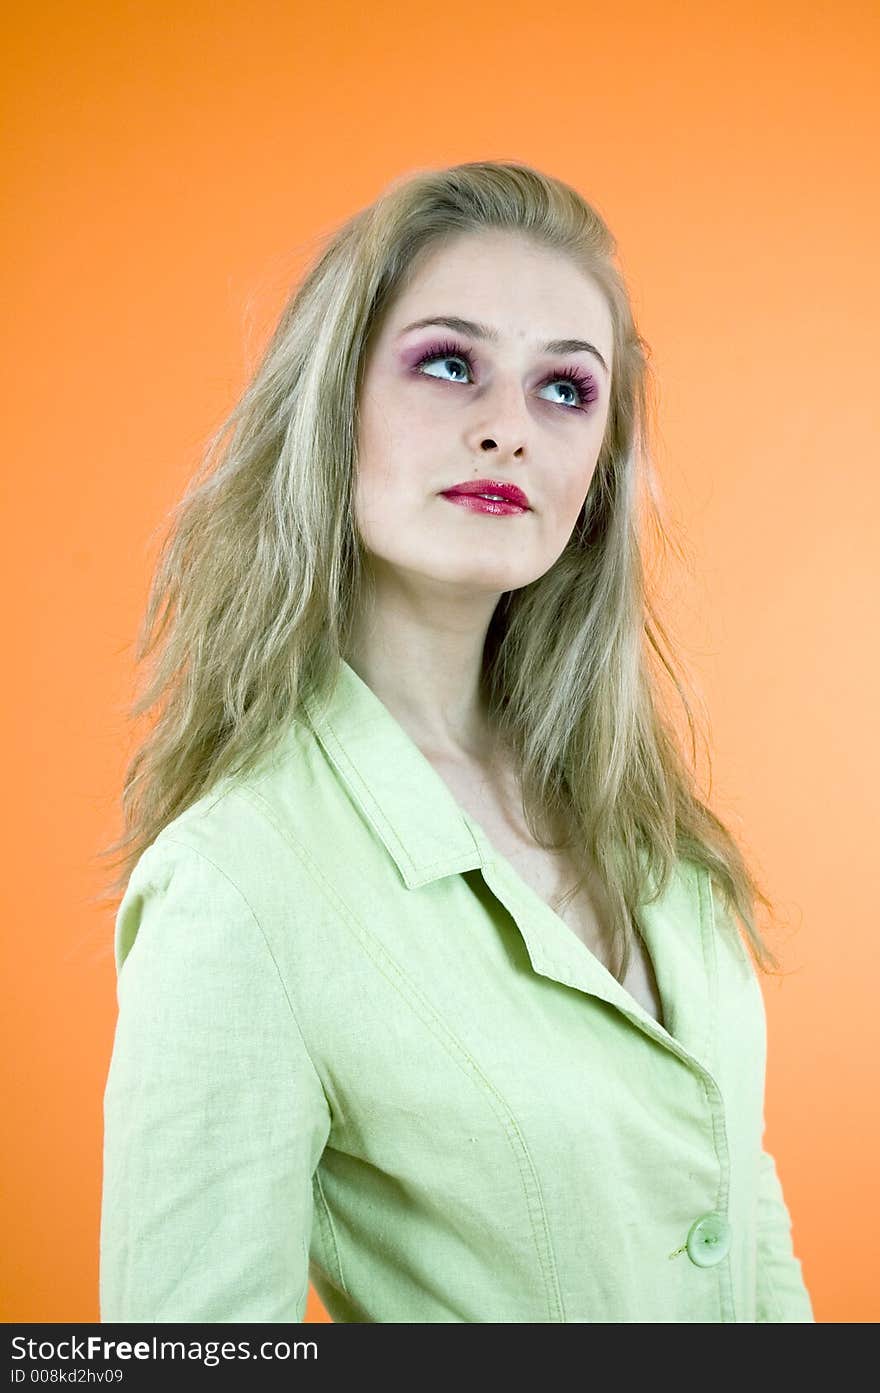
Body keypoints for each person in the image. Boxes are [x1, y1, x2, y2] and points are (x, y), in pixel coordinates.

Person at [98, 160, 814, 1322]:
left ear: (598, 469)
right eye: (448, 364)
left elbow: (730, 1196)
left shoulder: (640, 815)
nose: (507, 432)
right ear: (331, 409)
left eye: (565, 391)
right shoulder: (240, 881)